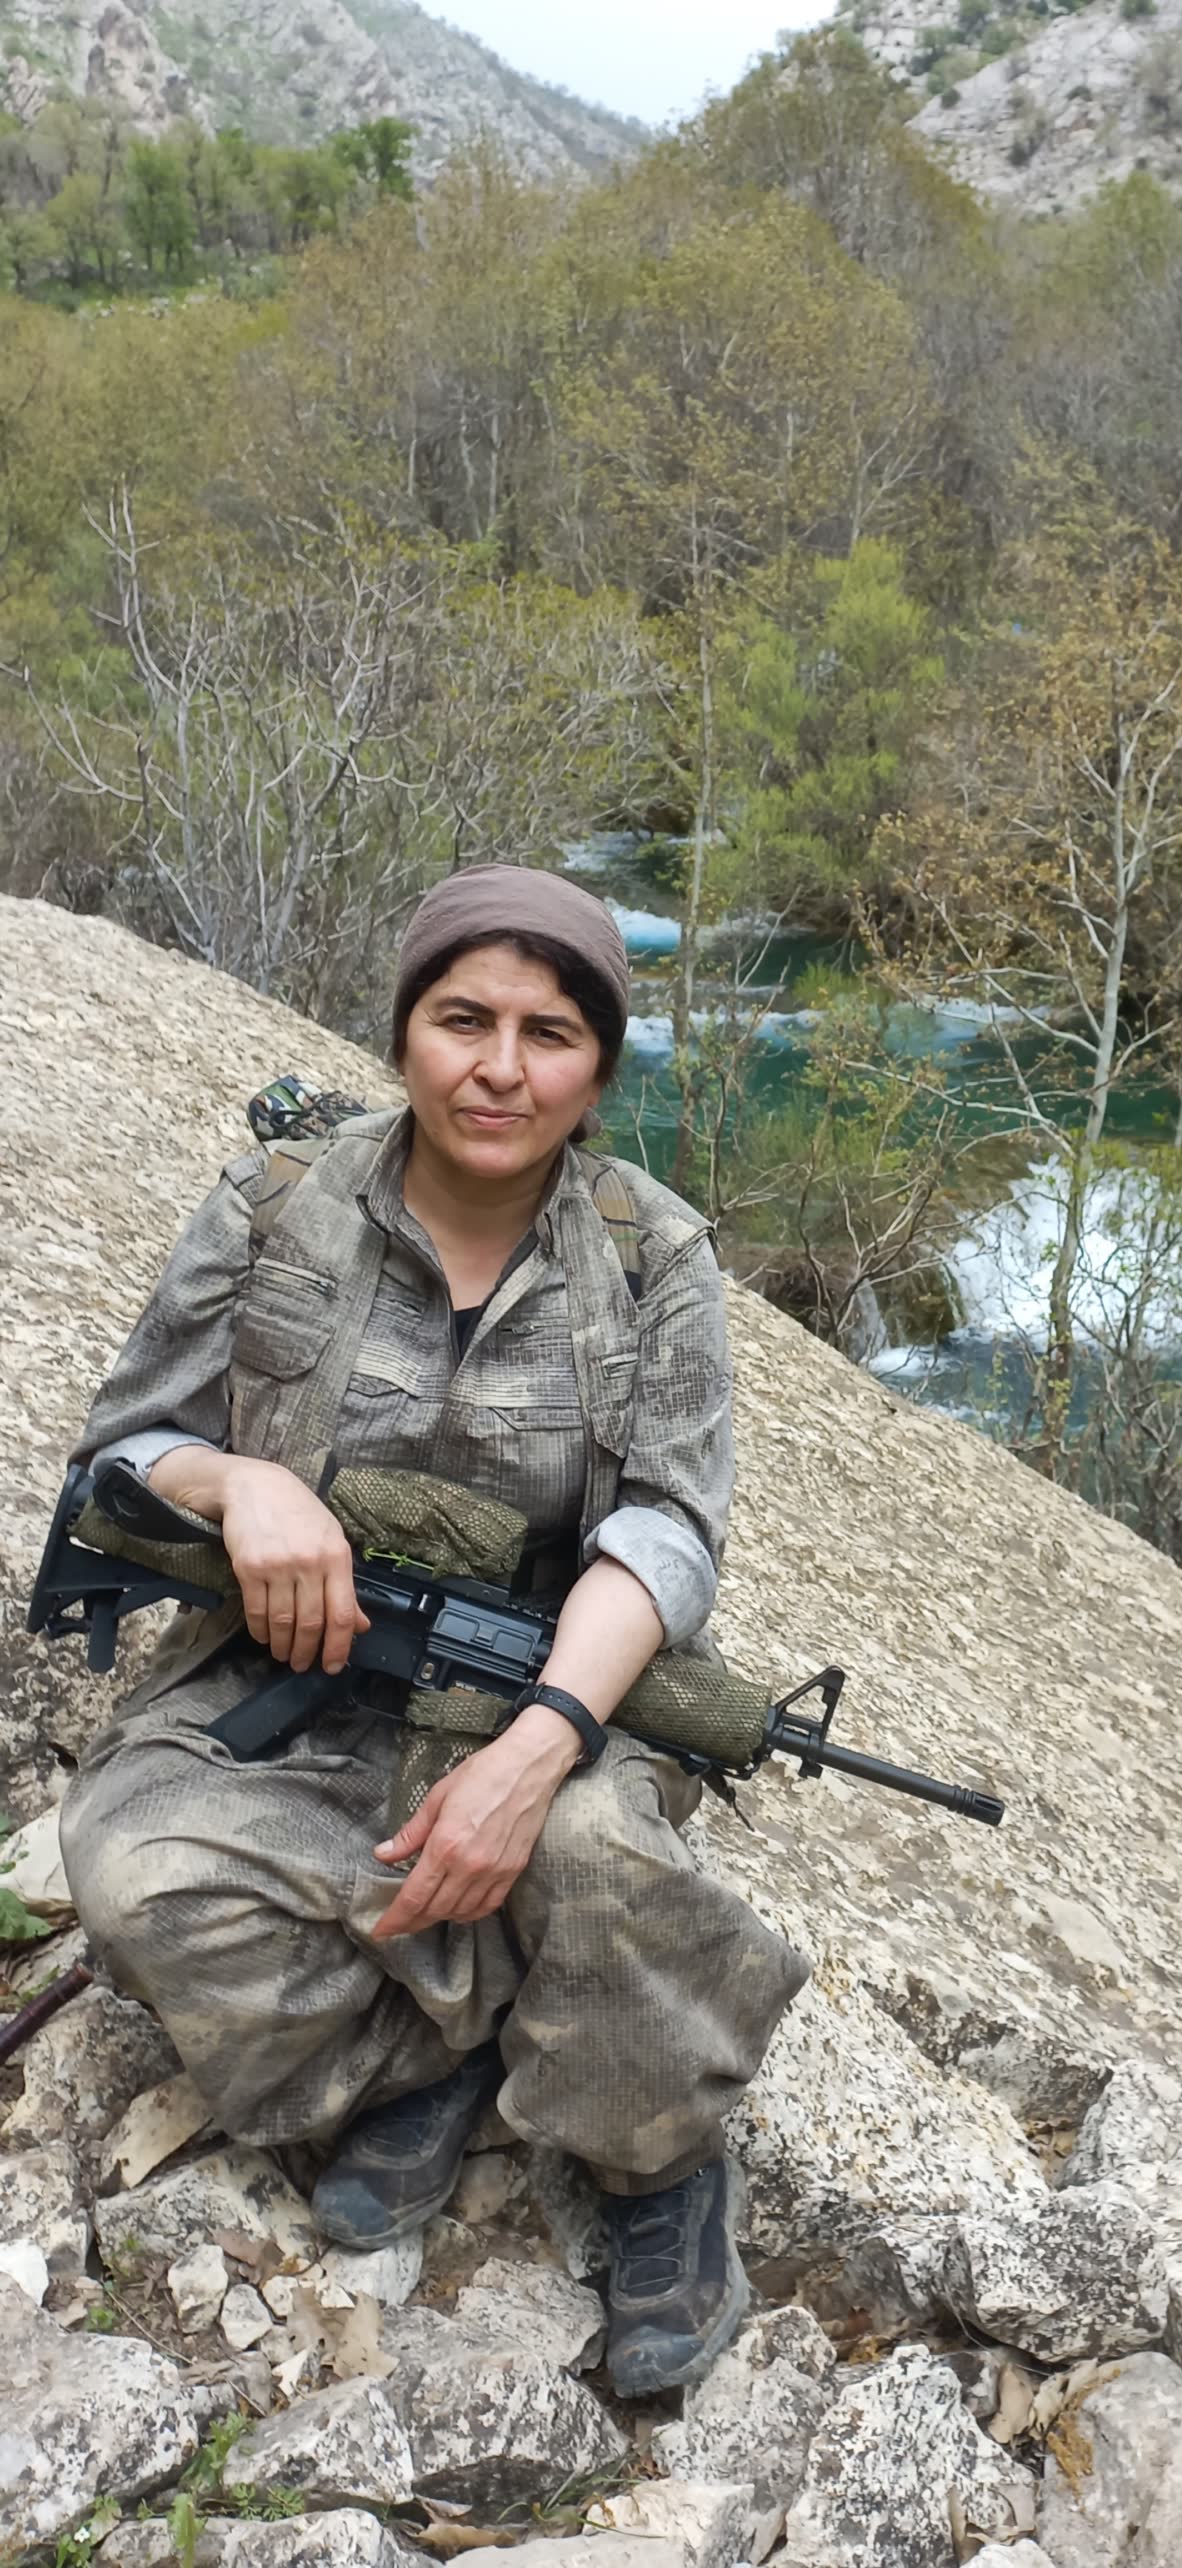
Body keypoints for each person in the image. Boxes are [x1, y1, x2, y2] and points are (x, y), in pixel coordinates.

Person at [57, 865, 808, 2396]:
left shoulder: (654, 1257)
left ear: (599, 1069)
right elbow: (122, 1453)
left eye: (550, 1034)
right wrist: (239, 1481)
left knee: (600, 1858)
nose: (500, 1068)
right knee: (132, 1875)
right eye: (464, 1020)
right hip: (290, 1679)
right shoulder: (274, 1207)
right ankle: (431, 2061)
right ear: (405, 1030)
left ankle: (659, 2167)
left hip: (542, 1682)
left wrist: (540, 1748)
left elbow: (666, 1533)